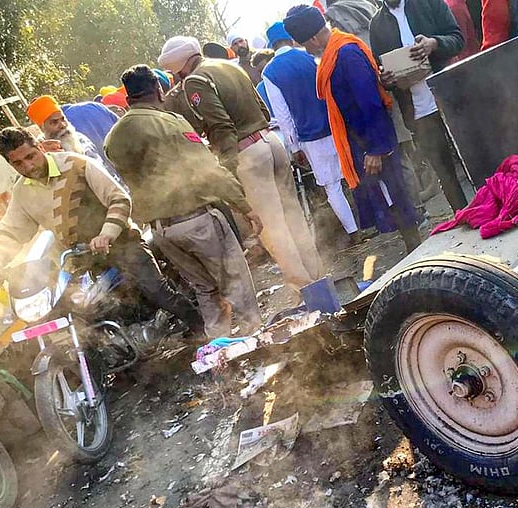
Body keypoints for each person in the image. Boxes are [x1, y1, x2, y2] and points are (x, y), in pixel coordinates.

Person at [0, 127, 204, 335]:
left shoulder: (77, 165)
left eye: (30, 156)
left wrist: (106, 234)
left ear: (40, 147)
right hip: (81, 262)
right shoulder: (22, 191)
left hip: (123, 246)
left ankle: (204, 331)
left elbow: (119, 199)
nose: (28, 166)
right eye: (18, 163)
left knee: (158, 293)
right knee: (81, 317)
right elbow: (10, 232)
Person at [157, 35, 323, 304]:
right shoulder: (229, 66)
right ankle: (318, 276)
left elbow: (221, 126)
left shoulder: (196, 82)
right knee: (293, 217)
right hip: (271, 142)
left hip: (248, 155)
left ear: (178, 67)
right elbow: (261, 108)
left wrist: (228, 170)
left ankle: (304, 291)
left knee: (272, 229)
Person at [105, 65, 263, 338]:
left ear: (128, 99)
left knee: (204, 288)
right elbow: (207, 170)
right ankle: (258, 338)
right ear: (158, 89)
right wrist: (244, 207)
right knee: (235, 282)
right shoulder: (171, 122)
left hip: (162, 231)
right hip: (196, 219)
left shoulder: (114, 137)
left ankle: (220, 346)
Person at [283, 5, 422, 252]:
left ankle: (417, 248)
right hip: (362, 141)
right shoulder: (333, 54)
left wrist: (376, 149)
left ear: (313, 38)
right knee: (388, 197)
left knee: (395, 196)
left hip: (374, 141)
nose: (307, 49)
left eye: (305, 44)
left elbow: (370, 101)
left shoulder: (345, 53)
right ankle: (413, 247)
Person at [261, 22, 361, 241]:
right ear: (290, 37)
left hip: (310, 137)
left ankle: (354, 232)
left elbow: (283, 115)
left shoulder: (269, 72)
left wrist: (294, 146)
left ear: (272, 44)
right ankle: (386, 213)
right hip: (336, 125)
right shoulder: (309, 56)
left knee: (332, 187)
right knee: (357, 172)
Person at [370, 0, 469, 212]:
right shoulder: (377, 24)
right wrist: (385, 79)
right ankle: (464, 215)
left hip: (448, 95)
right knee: (443, 169)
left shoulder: (427, 3)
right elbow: (381, 71)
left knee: (472, 155)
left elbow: (458, 39)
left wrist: (434, 43)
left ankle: (495, 204)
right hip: (416, 109)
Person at [27, 95, 121, 179]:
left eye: (63, 119)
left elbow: (103, 170)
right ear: (42, 128)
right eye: (54, 122)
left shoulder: (80, 138)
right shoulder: (41, 155)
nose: (63, 125)